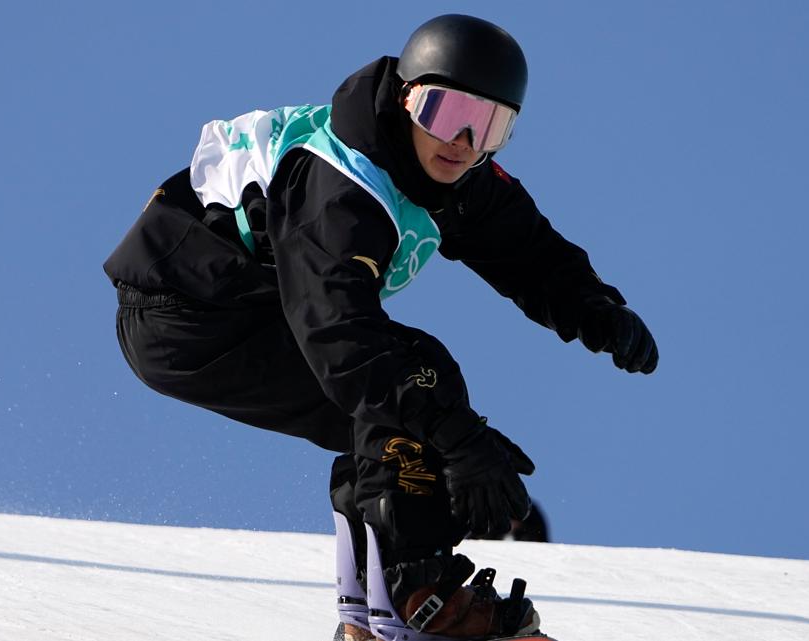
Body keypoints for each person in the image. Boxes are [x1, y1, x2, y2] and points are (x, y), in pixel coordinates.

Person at [104, 13, 657, 640]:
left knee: (409, 402)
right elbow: (340, 340)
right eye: (446, 112)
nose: (463, 140)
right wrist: (459, 438)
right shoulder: (341, 190)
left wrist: (596, 309)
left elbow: (525, 247)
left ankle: (371, 616)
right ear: (405, 100)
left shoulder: (458, 170)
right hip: (187, 316)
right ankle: (418, 601)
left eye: (491, 126)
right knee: (413, 386)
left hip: (241, 308)